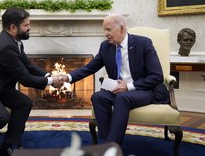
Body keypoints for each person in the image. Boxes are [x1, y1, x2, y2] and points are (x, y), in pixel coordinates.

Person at [0, 8, 64, 156]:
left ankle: (9, 145)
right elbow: (25, 79)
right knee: (0, 117)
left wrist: (49, 75)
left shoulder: (14, 41)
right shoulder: (6, 46)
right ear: (13, 27)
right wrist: (51, 81)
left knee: (24, 102)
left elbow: (27, 65)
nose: (29, 28)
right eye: (26, 25)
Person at [60, 13, 169, 145]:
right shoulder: (106, 46)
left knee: (122, 98)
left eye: (108, 29)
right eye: (104, 30)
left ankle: (113, 147)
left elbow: (157, 76)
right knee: (98, 97)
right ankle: (105, 143)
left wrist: (128, 86)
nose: (105, 34)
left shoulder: (143, 43)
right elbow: (90, 68)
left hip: (143, 89)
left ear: (121, 28)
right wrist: (67, 77)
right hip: (118, 90)